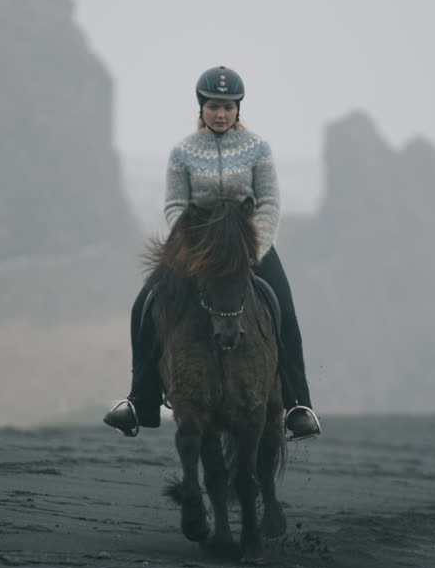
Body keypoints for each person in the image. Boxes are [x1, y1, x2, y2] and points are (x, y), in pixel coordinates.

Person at [104, 65, 321, 441]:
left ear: (238, 109)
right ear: (201, 107)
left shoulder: (258, 149)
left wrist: (255, 248)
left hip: (249, 246)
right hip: (196, 247)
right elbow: (174, 205)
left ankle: (299, 406)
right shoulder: (183, 152)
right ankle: (141, 401)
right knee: (145, 305)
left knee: (284, 312)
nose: (221, 114)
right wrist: (193, 246)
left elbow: (269, 202)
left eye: (228, 107)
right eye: (214, 106)